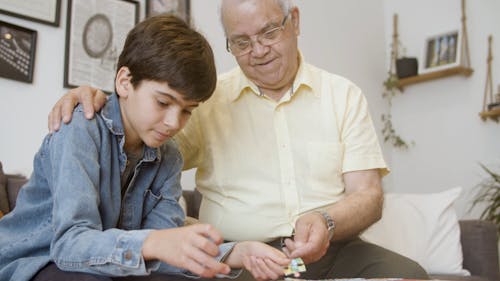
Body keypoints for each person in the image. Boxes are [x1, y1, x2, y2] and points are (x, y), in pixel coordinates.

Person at [48, 1, 430, 280]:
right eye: (241, 42)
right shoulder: (201, 102)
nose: (259, 50)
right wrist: (99, 101)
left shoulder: (343, 95)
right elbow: (143, 129)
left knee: (409, 275)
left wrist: (325, 221)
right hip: (248, 256)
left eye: (269, 32)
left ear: (294, 21)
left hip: (335, 248)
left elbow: (368, 196)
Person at [0, 14, 290, 281]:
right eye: (163, 102)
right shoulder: (81, 128)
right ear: (125, 82)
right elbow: (70, 245)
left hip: (105, 266)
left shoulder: (169, 156)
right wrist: (153, 243)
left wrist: (235, 252)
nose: (174, 122)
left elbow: (165, 250)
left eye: (188, 110)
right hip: (33, 261)